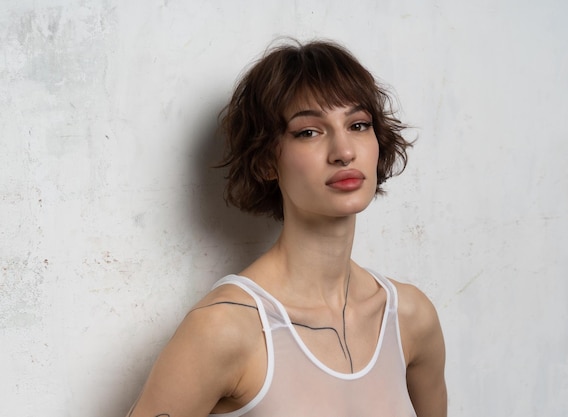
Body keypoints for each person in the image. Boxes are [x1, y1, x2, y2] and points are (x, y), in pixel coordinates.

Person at [127, 39, 447, 417]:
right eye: (309, 132)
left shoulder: (410, 317)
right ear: (266, 161)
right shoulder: (224, 328)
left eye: (358, 125)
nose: (344, 151)